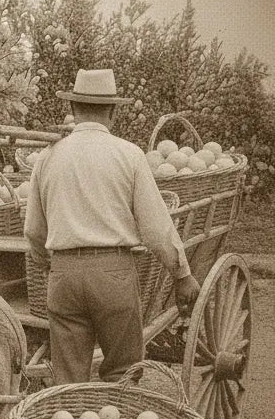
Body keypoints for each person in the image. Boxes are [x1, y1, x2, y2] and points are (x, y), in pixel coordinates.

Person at [24, 69, 201, 384]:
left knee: (68, 381)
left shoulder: (48, 157)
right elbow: (156, 230)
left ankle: (70, 411)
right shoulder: (129, 155)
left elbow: (34, 232)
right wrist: (182, 274)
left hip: (63, 275)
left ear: (73, 109)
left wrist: (51, 264)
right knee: (123, 373)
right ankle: (118, 412)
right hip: (113, 274)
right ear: (113, 112)